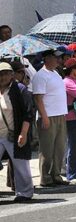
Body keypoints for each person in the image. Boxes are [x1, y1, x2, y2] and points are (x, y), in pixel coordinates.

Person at [31, 48, 69, 187]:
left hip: (60, 114)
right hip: (48, 116)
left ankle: (56, 175)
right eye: (55, 57)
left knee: (59, 148)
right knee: (47, 149)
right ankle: (45, 178)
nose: (58, 60)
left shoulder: (56, 73)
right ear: (47, 59)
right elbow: (38, 98)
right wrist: (44, 116)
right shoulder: (40, 75)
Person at [0, 62, 34, 201]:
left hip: (14, 134)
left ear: (12, 75)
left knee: (21, 165)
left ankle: (24, 193)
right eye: (0, 74)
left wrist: (23, 133)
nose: (3, 77)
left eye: (6, 73)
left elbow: (28, 113)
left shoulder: (19, 89)